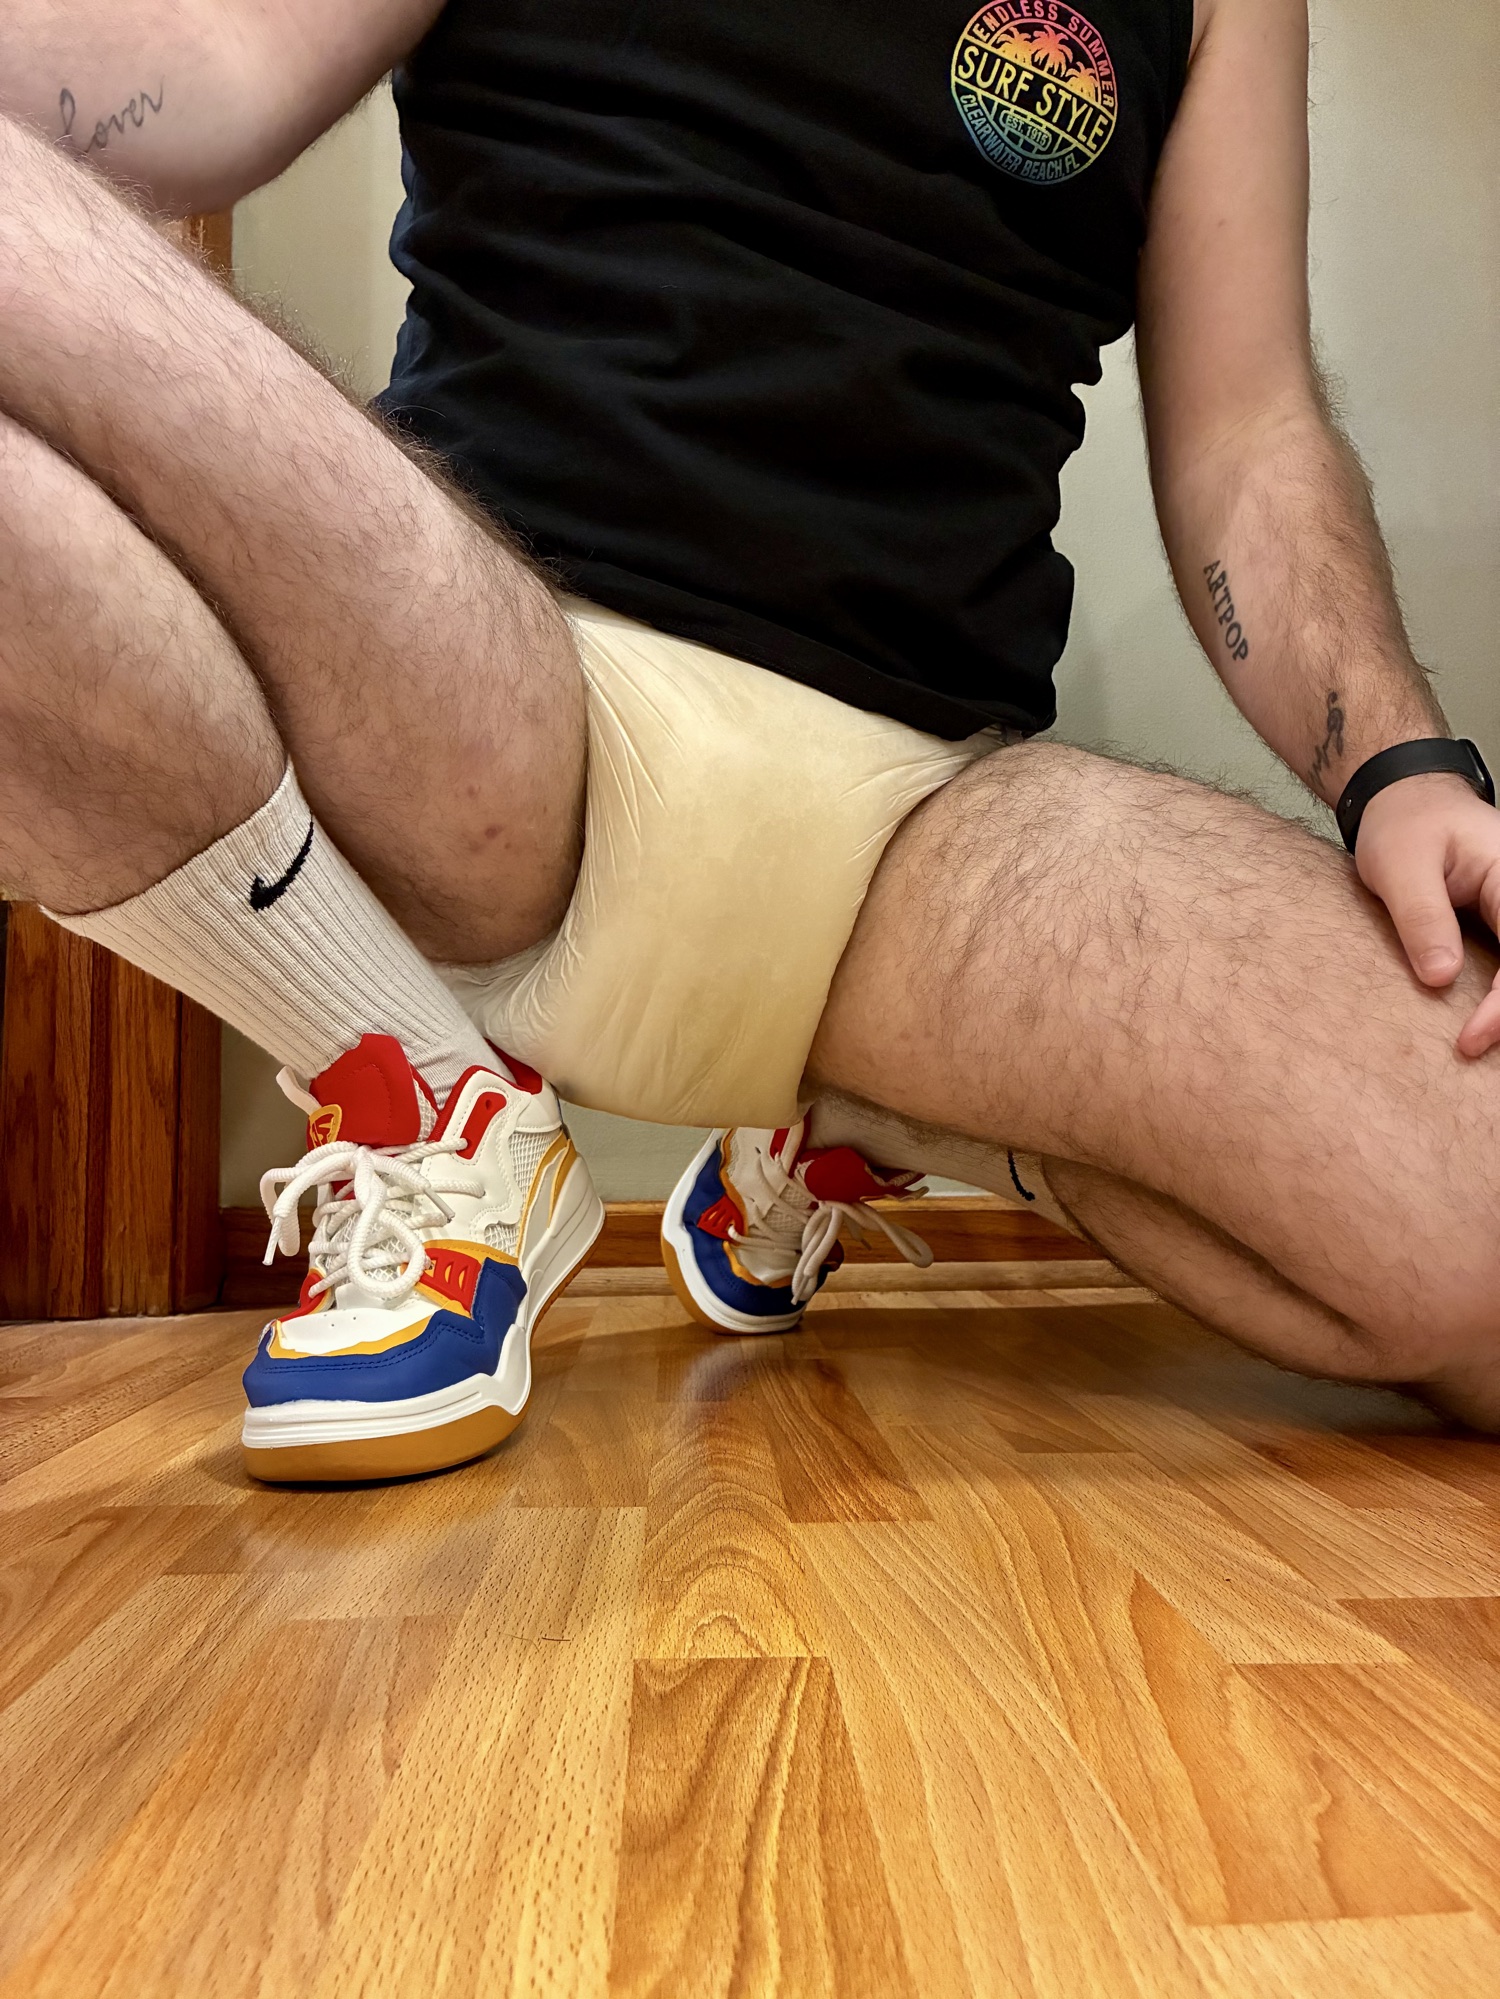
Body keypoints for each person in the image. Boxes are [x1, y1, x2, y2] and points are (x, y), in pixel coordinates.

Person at [2, 0, 1499, 1485]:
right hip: (483, 688)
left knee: (1481, 1250)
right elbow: (208, 71)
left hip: (918, 838)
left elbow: (1247, 433)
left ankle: (875, 1113)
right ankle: (418, 1080)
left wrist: (1400, 761)